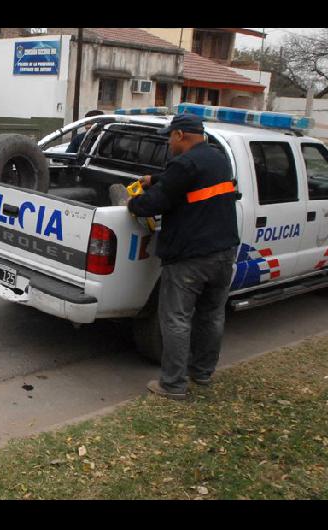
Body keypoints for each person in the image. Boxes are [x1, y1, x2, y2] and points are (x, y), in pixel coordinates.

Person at [126, 114, 239, 401]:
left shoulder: (184, 163)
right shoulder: (218, 158)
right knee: (212, 315)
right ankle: (201, 373)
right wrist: (156, 179)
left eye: (169, 137)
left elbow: (156, 202)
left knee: (176, 319)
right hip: (224, 252)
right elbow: (188, 180)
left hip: (191, 257)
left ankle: (173, 385)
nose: (168, 142)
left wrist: (133, 202)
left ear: (180, 135)